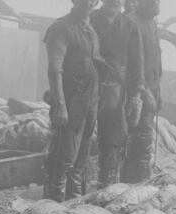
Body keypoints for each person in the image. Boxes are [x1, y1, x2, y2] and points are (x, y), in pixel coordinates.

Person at [43, 0, 102, 201]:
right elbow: (54, 69)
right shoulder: (61, 28)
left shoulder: (90, 31)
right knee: (62, 161)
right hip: (70, 104)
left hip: (89, 104)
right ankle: (51, 210)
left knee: (80, 162)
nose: (90, 2)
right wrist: (60, 105)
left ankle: (73, 209)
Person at [90, 0, 144, 187]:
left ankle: (108, 184)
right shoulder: (89, 19)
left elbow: (137, 65)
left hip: (117, 90)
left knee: (113, 139)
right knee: (80, 136)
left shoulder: (130, 27)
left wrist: (135, 95)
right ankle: (76, 189)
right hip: (88, 86)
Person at [125, 0, 162, 183]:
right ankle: (133, 182)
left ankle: (141, 180)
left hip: (152, 87)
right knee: (138, 137)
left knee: (145, 137)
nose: (157, 5)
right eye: (154, 2)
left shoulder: (152, 24)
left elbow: (156, 58)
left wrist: (158, 90)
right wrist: (145, 90)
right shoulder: (131, 22)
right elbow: (131, 62)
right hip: (137, 91)